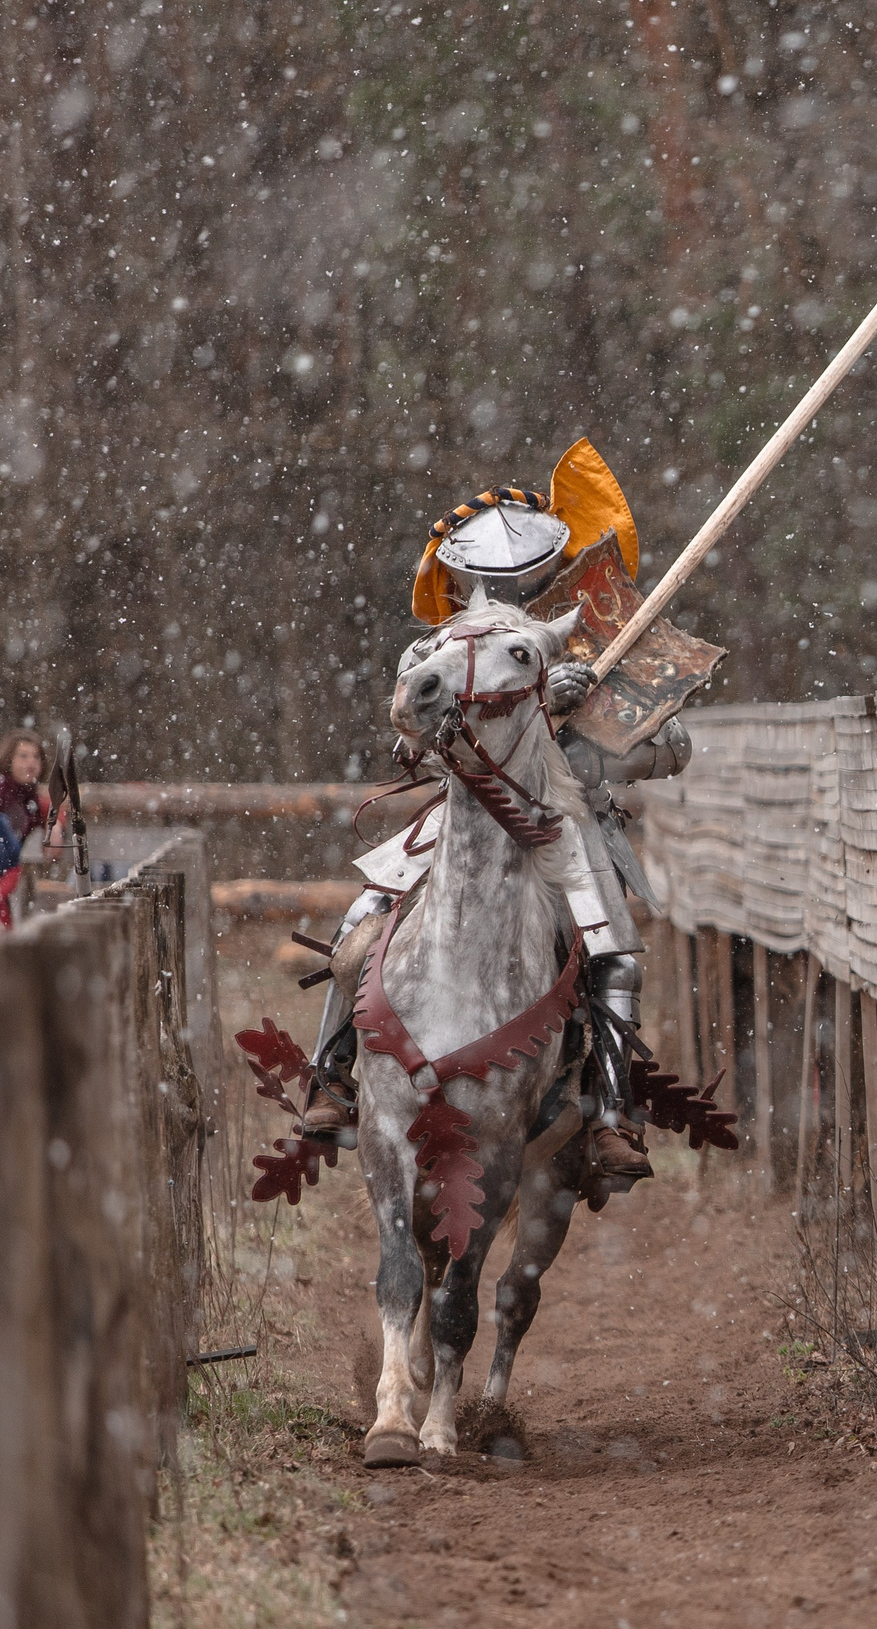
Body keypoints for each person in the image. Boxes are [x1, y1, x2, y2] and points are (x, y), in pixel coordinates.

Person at [298, 439, 707, 1196]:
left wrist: (594, 732)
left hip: (567, 829)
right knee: (359, 931)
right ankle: (331, 1076)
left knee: (614, 953)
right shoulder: (441, 648)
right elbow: (410, 741)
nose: (500, 587)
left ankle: (612, 1114)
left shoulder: (614, 633)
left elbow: (674, 745)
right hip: (462, 822)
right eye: (486, 577)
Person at [0, 731, 64, 931]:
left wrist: (56, 823)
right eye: (23, 756)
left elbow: (48, 805)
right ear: (8, 758)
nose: (31, 763)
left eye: (36, 757)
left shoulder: (28, 797)